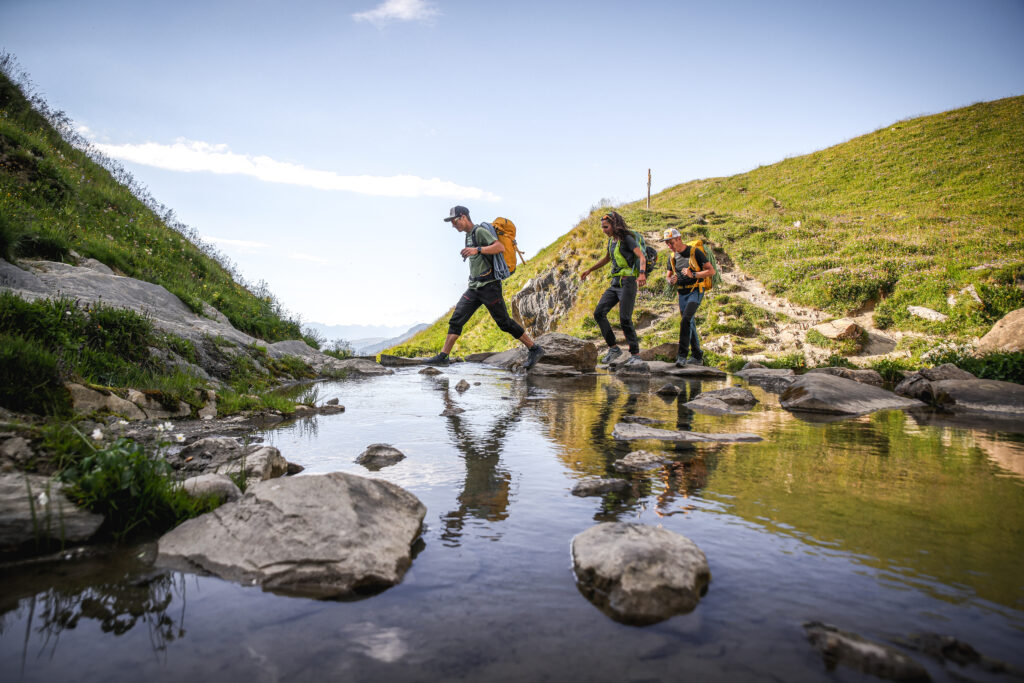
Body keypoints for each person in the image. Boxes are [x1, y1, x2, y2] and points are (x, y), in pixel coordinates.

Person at [424, 206, 545, 369]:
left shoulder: (479, 231)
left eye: (454, 221)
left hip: (489, 286)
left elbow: (499, 247)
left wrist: (477, 249)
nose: (453, 225)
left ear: (463, 217)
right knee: (456, 319)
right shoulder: (468, 235)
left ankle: (534, 348)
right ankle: (443, 356)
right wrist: (473, 252)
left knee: (504, 322)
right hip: (474, 287)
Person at [580, 211, 647, 365]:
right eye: (602, 227)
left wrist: (642, 274)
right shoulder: (612, 241)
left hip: (628, 282)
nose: (603, 230)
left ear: (614, 225)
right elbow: (607, 259)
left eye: (606, 227)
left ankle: (635, 355)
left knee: (625, 318)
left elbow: (641, 256)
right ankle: (614, 348)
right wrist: (590, 269)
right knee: (599, 313)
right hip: (615, 283)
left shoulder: (627, 239)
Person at [663, 228, 715, 366]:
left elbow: (711, 271)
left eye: (671, 242)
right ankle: (697, 357)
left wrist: (694, 275)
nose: (669, 246)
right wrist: (671, 280)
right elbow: (668, 276)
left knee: (686, 319)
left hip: (696, 290)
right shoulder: (672, 257)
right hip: (682, 293)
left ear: (679, 239)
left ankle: (682, 356)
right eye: (667, 244)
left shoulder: (694, 252)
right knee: (689, 322)